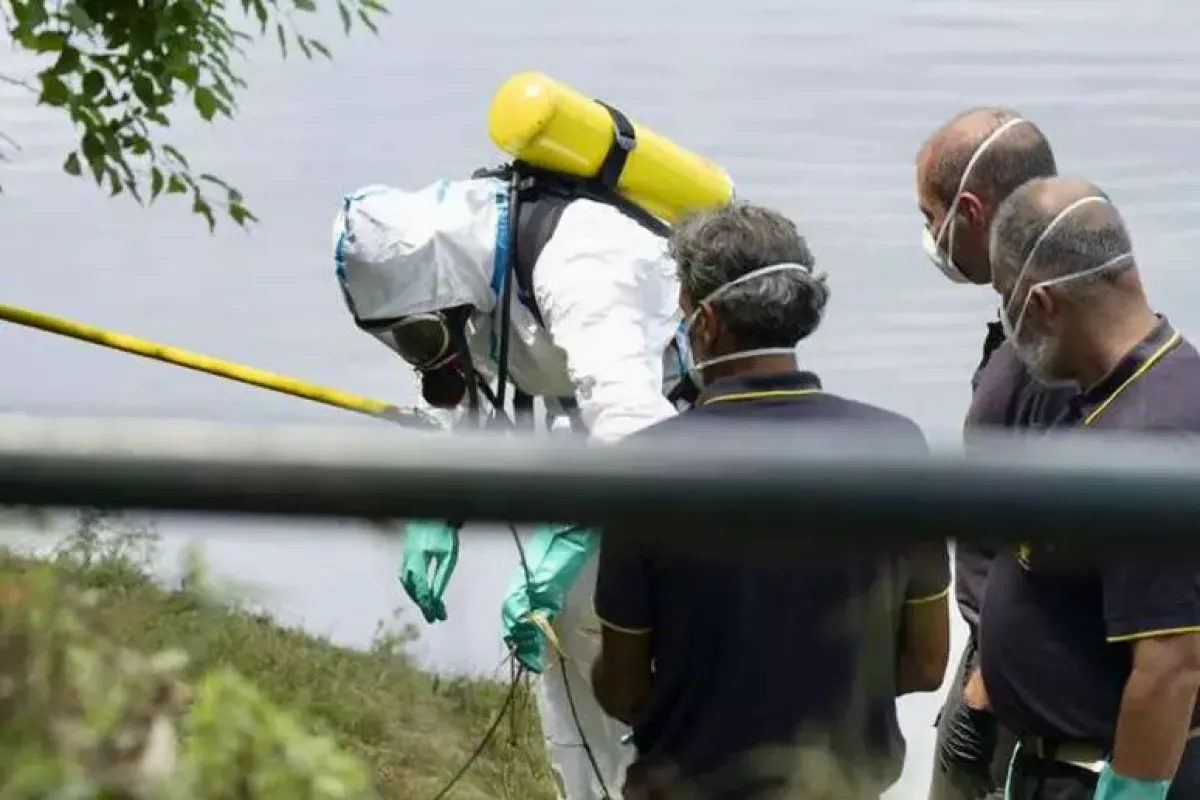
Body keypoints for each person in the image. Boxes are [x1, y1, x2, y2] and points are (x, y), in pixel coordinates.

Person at [332, 171, 681, 800]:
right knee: (571, 654)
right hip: (598, 475)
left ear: (442, 294)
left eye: (420, 334)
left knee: (649, 673)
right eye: (405, 338)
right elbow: (461, 390)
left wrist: (565, 540)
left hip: (691, 470)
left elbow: (637, 436)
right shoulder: (464, 277)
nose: (423, 351)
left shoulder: (582, 263)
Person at [590, 203, 952, 800]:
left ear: (705, 322)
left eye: (682, 307)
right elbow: (927, 661)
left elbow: (623, 687)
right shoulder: (895, 445)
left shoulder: (647, 466)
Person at [981, 176, 1200, 800]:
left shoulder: (1149, 441)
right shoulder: (1150, 388)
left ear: (1041, 303)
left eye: (1006, 297)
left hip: (1101, 774)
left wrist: (1129, 793)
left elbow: (1171, 664)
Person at [916, 106, 1073, 800]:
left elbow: (1052, 540)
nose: (930, 237)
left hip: (1013, 680)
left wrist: (980, 696)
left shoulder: (1050, 356)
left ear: (972, 211)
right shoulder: (1045, 323)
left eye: (931, 217)